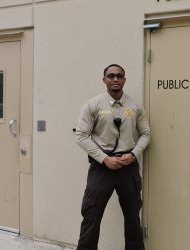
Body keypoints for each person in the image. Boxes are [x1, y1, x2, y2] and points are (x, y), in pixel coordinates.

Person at [75, 64, 150, 250]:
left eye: (119, 76)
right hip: (102, 168)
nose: (115, 79)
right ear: (104, 80)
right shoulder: (93, 105)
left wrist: (133, 155)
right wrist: (104, 159)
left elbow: (146, 133)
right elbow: (81, 136)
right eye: (111, 76)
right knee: (91, 215)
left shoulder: (135, 106)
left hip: (128, 167)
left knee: (132, 216)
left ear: (124, 79)